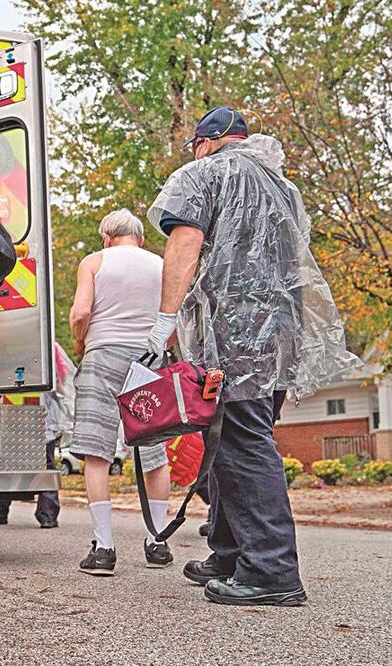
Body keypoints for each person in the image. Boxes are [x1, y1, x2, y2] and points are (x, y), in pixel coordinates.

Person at [146, 106, 359, 606]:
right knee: (225, 441)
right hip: (280, 335)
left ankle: (271, 571)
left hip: (233, 334)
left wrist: (163, 319)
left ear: (205, 142)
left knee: (241, 441)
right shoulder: (283, 187)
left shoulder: (201, 173)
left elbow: (185, 242)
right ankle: (230, 552)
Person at [68, 208, 174, 576]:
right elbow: (173, 318)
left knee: (96, 452)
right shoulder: (161, 264)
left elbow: (81, 313)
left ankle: (104, 548)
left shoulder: (94, 262)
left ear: (107, 237)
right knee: (154, 451)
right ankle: (158, 541)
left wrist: (81, 342)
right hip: (149, 360)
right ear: (140, 238)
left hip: (103, 355)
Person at [0, 344, 76, 528]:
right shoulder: (51, 347)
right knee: (45, 464)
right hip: (45, 415)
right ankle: (48, 514)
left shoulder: (15, 344)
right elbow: (62, 384)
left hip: (18, 413)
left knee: (5, 462)